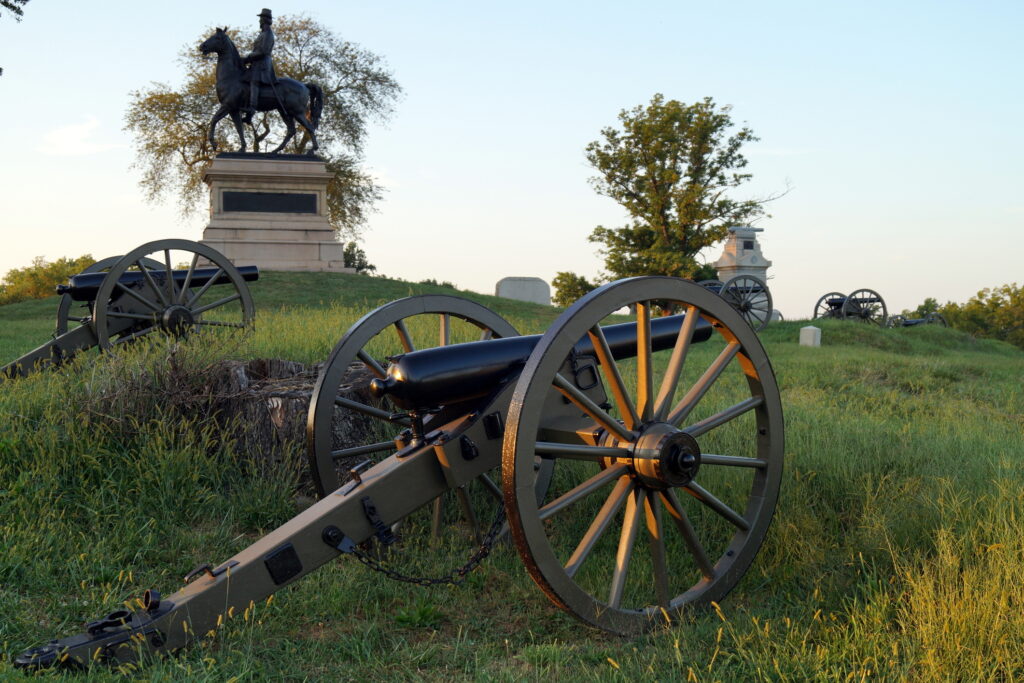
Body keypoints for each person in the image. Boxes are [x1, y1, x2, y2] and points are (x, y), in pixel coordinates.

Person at [241, 8, 276, 124]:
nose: (259, 21)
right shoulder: (262, 34)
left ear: (265, 20)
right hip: (256, 62)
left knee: (254, 82)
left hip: (262, 65)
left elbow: (263, 52)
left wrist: (248, 57)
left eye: (261, 19)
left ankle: (251, 109)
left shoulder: (268, 34)